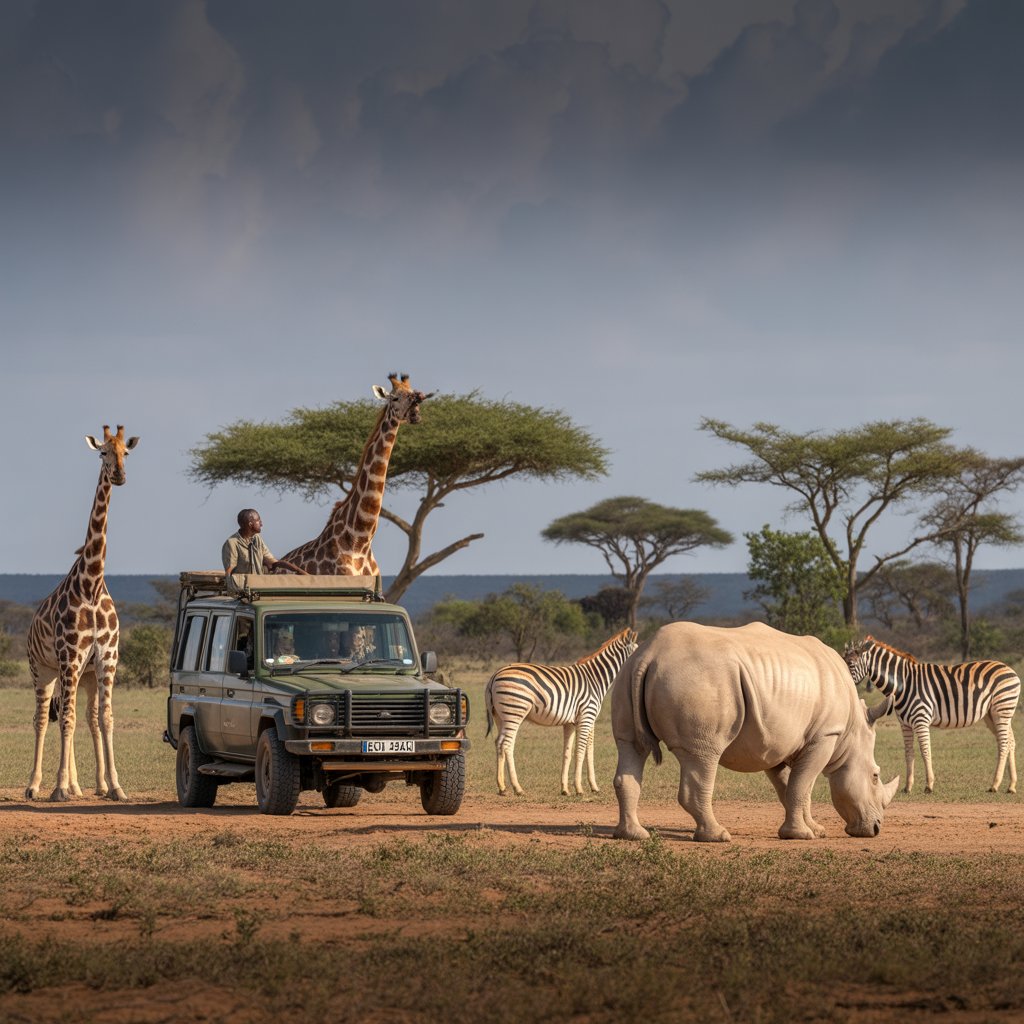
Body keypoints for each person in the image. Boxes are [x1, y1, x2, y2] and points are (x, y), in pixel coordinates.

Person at [222, 509, 307, 578]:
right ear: (250, 524)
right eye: (259, 521)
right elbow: (230, 572)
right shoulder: (232, 543)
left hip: (259, 586)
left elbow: (274, 563)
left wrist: (300, 571)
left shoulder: (257, 539)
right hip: (242, 591)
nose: (261, 524)